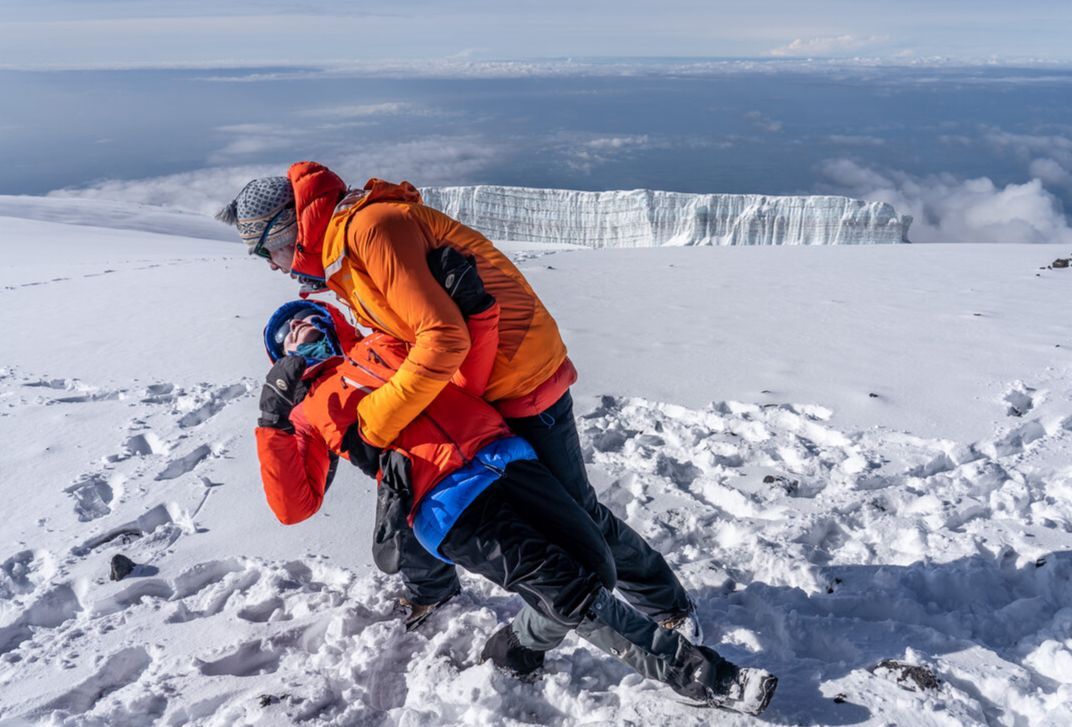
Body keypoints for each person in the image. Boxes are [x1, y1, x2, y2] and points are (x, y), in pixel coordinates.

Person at [219, 162, 700, 640]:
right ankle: (459, 593)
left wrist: (373, 425)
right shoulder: (345, 250)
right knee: (458, 494)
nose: (269, 264)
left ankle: (666, 604)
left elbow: (442, 339)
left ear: (286, 230)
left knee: (576, 511)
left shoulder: (369, 228)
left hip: (518, 383)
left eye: (264, 250)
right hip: (485, 386)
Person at [252, 287, 778, 715]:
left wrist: (469, 303)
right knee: (571, 591)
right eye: (288, 334)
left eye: (306, 318)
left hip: (507, 458)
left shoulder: (385, 343)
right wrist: (273, 419)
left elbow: (459, 360)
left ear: (329, 319)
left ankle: (516, 649)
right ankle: (703, 676)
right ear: (284, 359)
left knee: (596, 564)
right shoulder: (306, 413)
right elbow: (293, 506)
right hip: (447, 504)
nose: (301, 330)